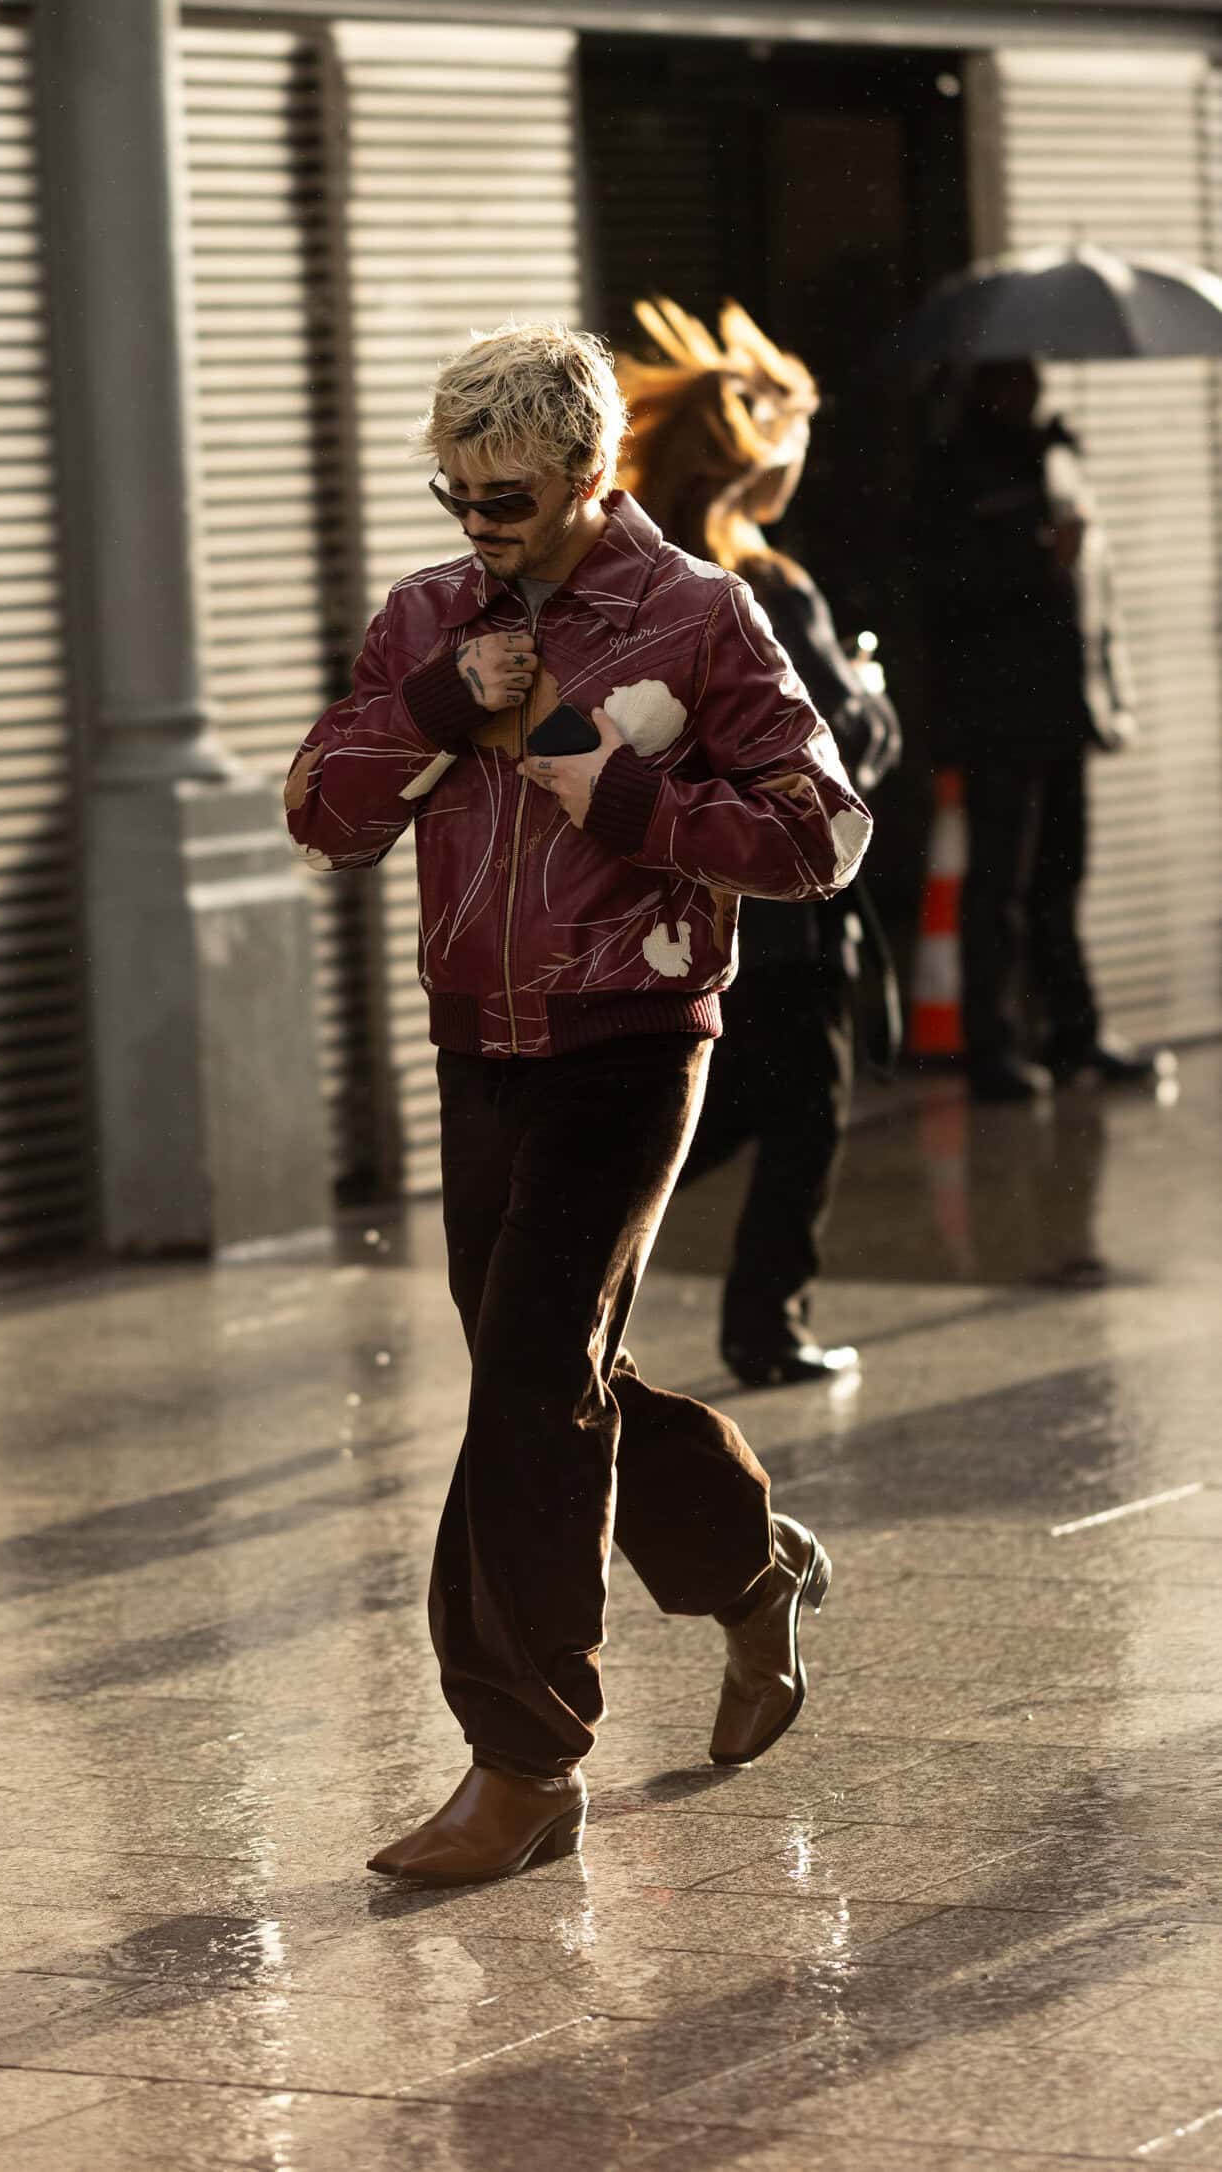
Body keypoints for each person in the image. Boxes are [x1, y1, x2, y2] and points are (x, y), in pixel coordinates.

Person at [284, 323, 873, 1886]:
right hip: (473, 1044)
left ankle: (524, 1762)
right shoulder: (425, 616)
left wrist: (616, 794)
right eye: (455, 493)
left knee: (524, 1383)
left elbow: (821, 834)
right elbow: (320, 815)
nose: (477, 524)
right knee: (547, 1371)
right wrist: (431, 703)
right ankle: (748, 1569)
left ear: (588, 471)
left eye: (508, 497)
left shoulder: (697, 616)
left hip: (630, 1034)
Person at [617, 298, 903, 1388]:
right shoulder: (764, 586)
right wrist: (868, 694)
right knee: (797, 1116)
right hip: (780, 903)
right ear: (762, 456)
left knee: (718, 1103)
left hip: (670, 897)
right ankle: (764, 1327)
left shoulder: (637, 588)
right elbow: (837, 749)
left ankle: (574, 1250)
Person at [919, 359, 1156, 1102]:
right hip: (997, 715)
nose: (1026, 394)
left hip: (1062, 706)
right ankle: (992, 1044)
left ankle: (1074, 1032)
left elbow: (1094, 590)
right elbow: (944, 590)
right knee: (1000, 884)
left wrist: (1109, 694)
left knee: (1061, 877)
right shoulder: (956, 472)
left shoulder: (1056, 457)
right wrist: (1036, 554)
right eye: (1010, 382)